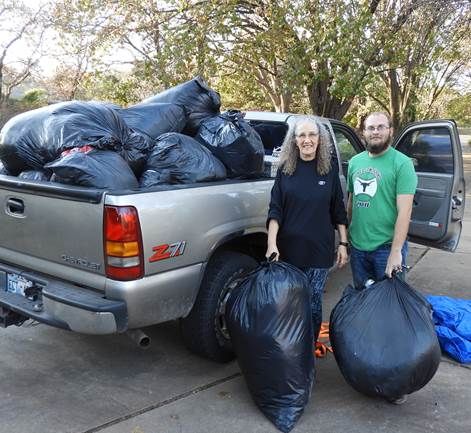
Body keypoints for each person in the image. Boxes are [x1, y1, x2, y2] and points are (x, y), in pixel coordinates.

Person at [347, 112, 418, 405]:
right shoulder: (354, 163)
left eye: (380, 127)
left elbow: (405, 212)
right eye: (370, 128)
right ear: (363, 132)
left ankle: (395, 382)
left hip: (385, 250)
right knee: (364, 313)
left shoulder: (402, 165)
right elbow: (351, 203)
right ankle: (368, 369)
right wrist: (344, 239)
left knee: (392, 318)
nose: (375, 132)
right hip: (357, 249)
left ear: (390, 130)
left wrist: (395, 252)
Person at [266, 116, 348, 345]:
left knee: (312, 303)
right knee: (289, 303)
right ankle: (288, 350)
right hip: (288, 251)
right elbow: (275, 209)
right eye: (301, 135)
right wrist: (272, 244)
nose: (307, 140)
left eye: (312, 135)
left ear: (320, 139)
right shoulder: (285, 169)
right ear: (294, 141)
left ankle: (308, 350)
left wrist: (343, 243)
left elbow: (338, 209)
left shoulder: (328, 169)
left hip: (319, 251)